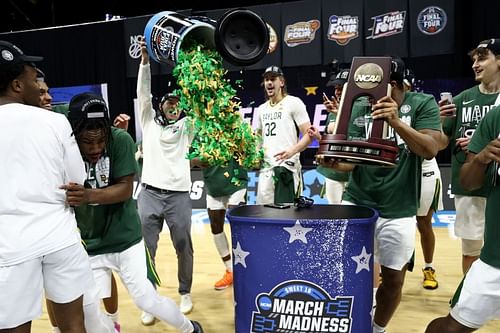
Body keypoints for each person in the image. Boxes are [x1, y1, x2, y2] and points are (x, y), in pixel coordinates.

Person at [61, 92, 204, 333]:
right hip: (89, 244)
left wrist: (87, 196)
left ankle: (190, 328)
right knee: (88, 312)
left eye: (100, 140)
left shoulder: (120, 140)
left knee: (146, 300)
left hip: (126, 240)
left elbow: (125, 189)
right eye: (88, 142)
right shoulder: (64, 145)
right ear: (75, 134)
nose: (96, 148)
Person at [0, 40, 115, 333]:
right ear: (16, 85)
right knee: (74, 325)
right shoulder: (55, 122)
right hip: (58, 237)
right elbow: (76, 178)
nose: (37, 81)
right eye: (31, 76)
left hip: (9, 245)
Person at [323, 56, 442, 333]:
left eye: (381, 85)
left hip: (399, 208)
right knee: (347, 272)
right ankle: (350, 321)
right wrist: (333, 161)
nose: (372, 92)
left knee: (393, 281)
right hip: (358, 201)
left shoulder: (423, 103)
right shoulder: (359, 107)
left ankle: (377, 329)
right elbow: (351, 162)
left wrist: (397, 121)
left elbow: (430, 149)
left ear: (396, 85)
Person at [136, 36, 196, 323]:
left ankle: (185, 291)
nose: (172, 106)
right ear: (160, 106)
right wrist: (146, 63)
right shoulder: (148, 122)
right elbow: (143, 94)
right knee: (146, 249)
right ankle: (149, 301)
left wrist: (193, 68)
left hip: (178, 195)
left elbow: (200, 103)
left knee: (183, 244)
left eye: (177, 103)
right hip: (148, 193)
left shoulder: (187, 126)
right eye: (168, 102)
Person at [425, 105, 500, 332]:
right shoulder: (496, 117)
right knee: (450, 328)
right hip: (495, 260)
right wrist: (481, 159)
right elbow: (468, 182)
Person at [437, 38, 500, 274]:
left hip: (498, 185)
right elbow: (442, 142)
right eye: (474, 59)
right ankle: (471, 304)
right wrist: (444, 122)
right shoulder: (462, 99)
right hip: (470, 187)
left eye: (482, 57)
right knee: (471, 252)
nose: (475, 63)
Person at [404, 68, 444, 290]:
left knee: (423, 223)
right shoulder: (387, 106)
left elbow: (433, 145)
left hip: (425, 169)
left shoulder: (424, 106)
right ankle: (399, 265)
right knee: (402, 221)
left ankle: (429, 267)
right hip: (401, 170)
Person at [255, 65, 314, 205]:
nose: (269, 82)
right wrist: (256, 155)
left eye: (273, 79)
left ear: (281, 82)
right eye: (266, 79)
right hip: (266, 168)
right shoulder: (261, 109)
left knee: (287, 214)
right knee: (264, 213)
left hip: (287, 166)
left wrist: (291, 151)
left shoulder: (294, 103)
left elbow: (309, 135)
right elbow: (258, 138)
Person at [202, 158, 248, 290]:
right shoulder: (200, 137)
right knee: (216, 228)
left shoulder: (238, 135)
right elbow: (192, 159)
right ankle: (230, 270)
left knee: (238, 226)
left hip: (237, 182)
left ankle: (245, 269)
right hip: (213, 186)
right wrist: (200, 160)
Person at [316, 67, 350, 204]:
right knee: (335, 212)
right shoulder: (331, 111)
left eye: (341, 88)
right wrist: (318, 137)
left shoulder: (362, 108)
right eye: (336, 88)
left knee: (353, 212)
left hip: (352, 170)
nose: (337, 92)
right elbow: (330, 135)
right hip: (333, 172)